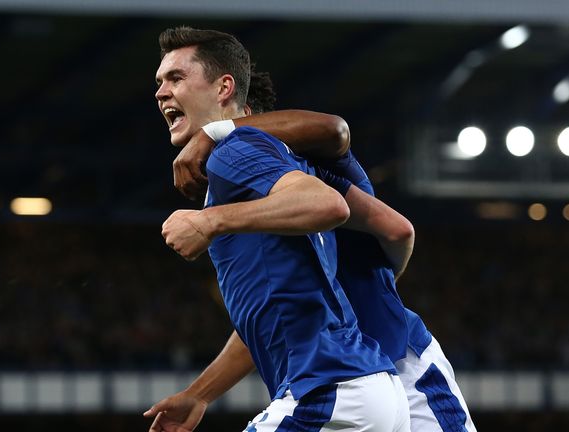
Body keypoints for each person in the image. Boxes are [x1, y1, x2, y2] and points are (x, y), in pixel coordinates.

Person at [147, 65, 476, 431]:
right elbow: (269, 314)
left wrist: (215, 133)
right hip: (367, 372)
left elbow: (396, 227)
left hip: (388, 361)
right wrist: (201, 393)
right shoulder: (264, 198)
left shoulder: (304, 168)